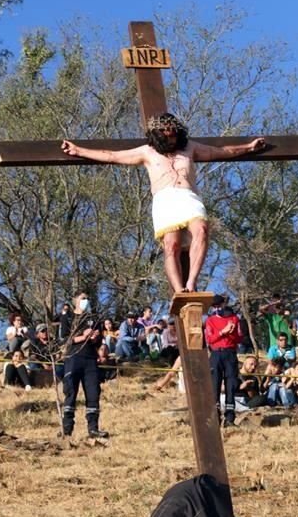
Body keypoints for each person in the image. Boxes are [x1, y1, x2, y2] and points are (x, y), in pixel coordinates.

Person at [63, 114, 265, 293]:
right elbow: (112, 155)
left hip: (188, 196)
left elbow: (220, 151)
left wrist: (248, 147)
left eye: (173, 132)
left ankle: (192, 282)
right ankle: (179, 290)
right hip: (165, 199)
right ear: (157, 134)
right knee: (171, 245)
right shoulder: (147, 152)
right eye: (166, 132)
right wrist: (78, 150)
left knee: (202, 230)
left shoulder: (189, 148)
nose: (170, 136)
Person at [61, 291, 109, 438]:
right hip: (73, 357)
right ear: (75, 300)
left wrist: (94, 338)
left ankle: (93, 428)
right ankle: (67, 429)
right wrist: (83, 336)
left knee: (93, 392)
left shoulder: (93, 318)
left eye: (87, 298)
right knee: (70, 392)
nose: (85, 301)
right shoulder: (68, 317)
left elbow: (99, 340)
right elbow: (64, 339)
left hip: (90, 359)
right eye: (83, 298)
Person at [204, 295, 243, 426]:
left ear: (223, 304)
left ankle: (230, 417)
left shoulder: (234, 319)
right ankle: (215, 416)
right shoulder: (210, 320)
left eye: (218, 305)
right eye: (214, 307)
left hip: (230, 353)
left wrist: (231, 333)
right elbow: (210, 339)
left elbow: (239, 338)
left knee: (230, 384)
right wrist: (222, 332)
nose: (217, 308)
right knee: (215, 384)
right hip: (216, 354)